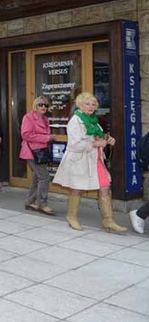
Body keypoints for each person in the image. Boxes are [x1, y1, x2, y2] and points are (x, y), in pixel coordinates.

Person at [53, 92, 126, 233]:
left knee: (105, 186)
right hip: (79, 160)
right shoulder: (75, 121)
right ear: (80, 104)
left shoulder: (93, 120)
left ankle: (108, 220)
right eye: (87, 104)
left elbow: (98, 136)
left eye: (93, 104)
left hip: (95, 160)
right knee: (77, 188)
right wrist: (96, 143)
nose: (91, 106)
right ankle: (71, 216)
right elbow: (74, 144)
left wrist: (107, 139)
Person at [20, 96, 56, 215]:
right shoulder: (28, 117)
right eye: (41, 104)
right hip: (31, 152)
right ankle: (42, 204)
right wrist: (46, 138)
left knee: (38, 177)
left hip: (41, 152)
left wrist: (48, 138)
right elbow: (26, 135)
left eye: (46, 105)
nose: (44, 107)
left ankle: (30, 201)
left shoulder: (45, 119)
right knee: (44, 177)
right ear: (35, 105)